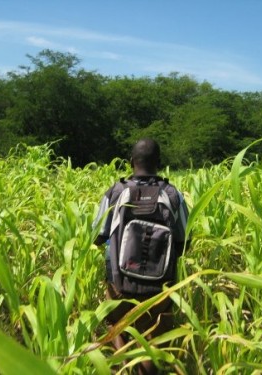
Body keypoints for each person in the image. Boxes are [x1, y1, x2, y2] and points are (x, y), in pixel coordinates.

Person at [93, 138, 190, 374]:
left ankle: (123, 367)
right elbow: (184, 242)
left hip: (119, 280)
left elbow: (97, 236)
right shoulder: (172, 194)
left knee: (117, 323)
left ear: (131, 162)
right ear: (159, 163)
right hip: (160, 286)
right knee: (155, 338)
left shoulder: (116, 192)